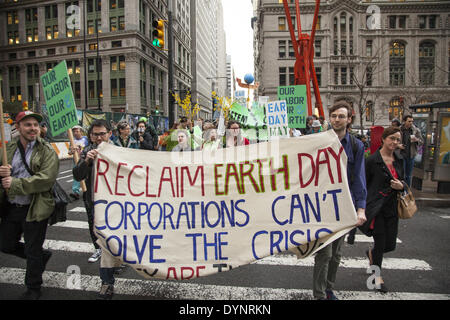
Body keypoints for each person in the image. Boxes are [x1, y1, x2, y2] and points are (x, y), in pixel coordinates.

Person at [0, 111, 59, 300]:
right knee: (5, 244)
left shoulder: (47, 150)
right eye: (28, 124)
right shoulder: (8, 149)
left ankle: (33, 288)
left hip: (35, 208)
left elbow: (46, 179)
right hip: (11, 207)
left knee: (32, 250)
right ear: (18, 127)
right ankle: (40, 257)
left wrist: (16, 184)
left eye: (35, 124)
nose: (33, 128)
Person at [312, 101, 367, 300]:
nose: (337, 119)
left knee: (336, 254)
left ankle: (328, 288)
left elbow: (359, 178)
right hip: (323, 205)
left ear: (349, 119)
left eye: (341, 116)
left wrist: (361, 208)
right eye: (334, 116)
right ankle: (319, 294)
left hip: (344, 206)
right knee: (324, 254)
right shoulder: (319, 141)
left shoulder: (356, 145)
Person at [73, 119, 121, 299]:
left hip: (118, 205)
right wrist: (86, 161)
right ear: (90, 136)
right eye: (95, 134)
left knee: (115, 241)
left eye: (102, 133)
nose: (99, 137)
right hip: (96, 205)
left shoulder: (120, 152)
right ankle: (106, 283)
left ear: (110, 133)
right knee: (103, 242)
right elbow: (77, 175)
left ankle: (116, 264)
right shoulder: (88, 152)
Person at [360, 126, 406, 293]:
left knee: (389, 245)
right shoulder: (372, 161)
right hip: (377, 208)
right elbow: (363, 184)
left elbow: (404, 181)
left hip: (392, 207)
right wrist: (363, 206)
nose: (394, 142)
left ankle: (371, 254)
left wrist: (401, 186)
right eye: (391, 138)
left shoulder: (399, 159)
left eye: (397, 140)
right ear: (384, 139)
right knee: (380, 244)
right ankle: (376, 279)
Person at [399, 115, 423, 186]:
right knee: (401, 174)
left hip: (411, 155)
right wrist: (398, 145)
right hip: (401, 154)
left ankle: (407, 191)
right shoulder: (399, 130)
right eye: (409, 121)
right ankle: (401, 190)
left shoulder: (416, 130)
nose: (411, 123)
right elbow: (394, 141)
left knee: (408, 175)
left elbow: (422, 141)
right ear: (404, 121)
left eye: (412, 121)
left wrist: (417, 140)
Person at [68, 125, 88, 200]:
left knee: (87, 176)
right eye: (74, 131)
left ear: (81, 132)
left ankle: (87, 191)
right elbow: (69, 152)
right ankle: (76, 192)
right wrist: (71, 151)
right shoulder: (72, 141)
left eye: (77, 131)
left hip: (85, 160)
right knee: (76, 176)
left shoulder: (86, 139)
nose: (75, 133)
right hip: (76, 161)